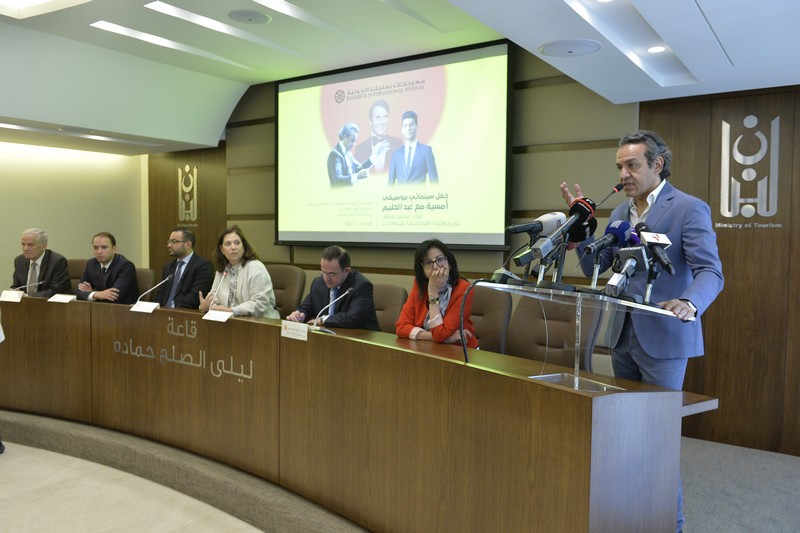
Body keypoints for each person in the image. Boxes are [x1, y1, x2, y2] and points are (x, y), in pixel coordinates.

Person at [560, 129, 724, 533]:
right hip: (622, 335)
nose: (624, 173)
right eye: (619, 166)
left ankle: (672, 525)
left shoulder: (688, 208)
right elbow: (594, 270)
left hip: (665, 339)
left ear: (657, 165)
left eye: (631, 164)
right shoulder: (618, 215)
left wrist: (689, 302)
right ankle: (629, 519)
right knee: (624, 440)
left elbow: (711, 272)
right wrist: (580, 234)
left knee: (657, 443)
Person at [395, 239, 478, 348]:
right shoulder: (419, 286)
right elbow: (401, 327)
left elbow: (440, 334)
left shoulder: (464, 289)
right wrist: (445, 338)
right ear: (423, 271)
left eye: (440, 259)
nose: (435, 266)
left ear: (450, 264)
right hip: (430, 347)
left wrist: (433, 292)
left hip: (461, 350)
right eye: (428, 262)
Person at [286, 245, 380, 331]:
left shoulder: (361, 286)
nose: (326, 279)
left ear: (346, 271)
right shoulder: (318, 283)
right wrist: (299, 314)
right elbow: (307, 307)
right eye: (323, 272)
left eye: (331, 274)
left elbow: (353, 318)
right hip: (327, 338)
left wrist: (323, 320)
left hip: (361, 341)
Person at [198, 225, 280, 319]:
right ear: (221, 250)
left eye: (237, 243)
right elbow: (214, 298)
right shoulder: (222, 271)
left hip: (261, 323)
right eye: (228, 244)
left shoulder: (256, 267)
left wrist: (231, 310)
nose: (233, 247)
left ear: (243, 246)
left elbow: (259, 303)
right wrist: (206, 306)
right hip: (232, 323)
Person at [154, 227, 213, 309]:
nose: (169, 245)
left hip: (185, 314)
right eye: (169, 241)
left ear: (188, 244)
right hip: (163, 313)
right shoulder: (168, 266)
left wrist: (174, 312)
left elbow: (195, 297)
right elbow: (160, 294)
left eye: (174, 241)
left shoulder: (203, 266)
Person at [76, 232, 139, 304]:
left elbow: (114, 297)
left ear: (114, 249)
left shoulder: (126, 266)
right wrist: (97, 294)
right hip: (99, 310)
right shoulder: (91, 264)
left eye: (104, 247)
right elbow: (77, 293)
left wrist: (92, 293)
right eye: (95, 248)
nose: (99, 252)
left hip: (123, 310)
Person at [11, 228, 72, 297]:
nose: (25, 249)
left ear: (44, 246)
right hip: (26, 305)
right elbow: (16, 286)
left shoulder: (57, 261)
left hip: (52, 305)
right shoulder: (20, 261)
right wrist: (13, 292)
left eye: (30, 245)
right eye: (23, 244)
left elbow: (55, 291)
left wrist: (28, 296)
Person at [387, 110, 438, 185]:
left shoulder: (426, 151)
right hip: (400, 197)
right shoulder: (396, 154)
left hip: (419, 196)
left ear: (417, 127)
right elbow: (390, 183)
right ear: (402, 130)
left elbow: (434, 181)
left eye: (411, 125)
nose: (408, 128)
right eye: (405, 126)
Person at [354, 99, 403, 173]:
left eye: (385, 117)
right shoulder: (360, 149)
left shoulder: (398, 144)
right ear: (370, 121)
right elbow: (356, 175)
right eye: (378, 117)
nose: (382, 122)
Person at [327, 122, 375, 187]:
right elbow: (337, 180)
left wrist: (374, 156)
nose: (354, 144)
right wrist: (357, 177)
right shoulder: (334, 154)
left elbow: (359, 168)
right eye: (352, 140)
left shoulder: (349, 154)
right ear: (344, 137)